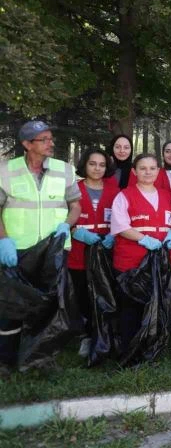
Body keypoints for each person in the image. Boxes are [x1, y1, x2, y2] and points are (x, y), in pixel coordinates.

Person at [0, 121, 81, 369]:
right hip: (18, 251)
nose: (51, 143)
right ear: (27, 144)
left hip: (52, 252)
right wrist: (4, 241)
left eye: (50, 138)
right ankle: (7, 361)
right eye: (44, 139)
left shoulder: (64, 169)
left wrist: (67, 224)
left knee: (49, 308)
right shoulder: (6, 170)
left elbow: (75, 205)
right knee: (12, 307)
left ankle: (40, 359)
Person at [110, 153, 171, 360]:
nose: (148, 172)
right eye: (143, 168)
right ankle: (131, 351)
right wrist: (144, 239)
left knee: (156, 305)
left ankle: (152, 347)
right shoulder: (124, 195)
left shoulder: (166, 195)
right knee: (131, 308)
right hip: (132, 262)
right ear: (134, 171)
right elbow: (120, 226)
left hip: (160, 262)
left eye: (152, 168)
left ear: (158, 171)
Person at [68, 148, 118, 358]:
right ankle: (87, 336)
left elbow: (124, 216)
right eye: (92, 164)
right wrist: (75, 231)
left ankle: (108, 334)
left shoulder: (114, 189)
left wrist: (114, 235)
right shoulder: (73, 189)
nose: (97, 168)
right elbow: (62, 218)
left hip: (107, 251)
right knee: (83, 296)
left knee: (108, 294)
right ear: (84, 165)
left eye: (102, 165)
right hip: (79, 252)